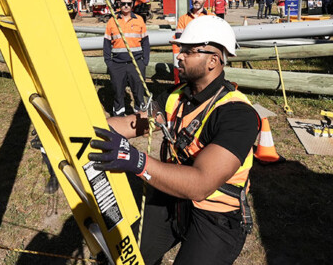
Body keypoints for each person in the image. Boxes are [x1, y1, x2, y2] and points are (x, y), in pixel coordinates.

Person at [90, 15, 261, 265]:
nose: (178, 56)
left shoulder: (237, 115)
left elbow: (201, 185)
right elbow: (131, 124)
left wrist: (137, 162)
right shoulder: (177, 97)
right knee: (125, 259)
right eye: (180, 49)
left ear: (213, 60)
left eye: (188, 51)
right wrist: (74, 131)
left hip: (216, 217)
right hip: (172, 201)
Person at [104, 0, 150, 116]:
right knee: (118, 92)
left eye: (128, 3)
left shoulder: (139, 20)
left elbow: (145, 43)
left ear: (132, 4)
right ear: (119, 4)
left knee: (138, 92)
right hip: (118, 64)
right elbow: (107, 44)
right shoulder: (112, 21)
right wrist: (109, 63)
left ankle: (140, 118)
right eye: (123, 3)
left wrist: (144, 61)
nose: (125, 6)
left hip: (136, 63)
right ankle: (119, 117)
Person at [173, 0, 213, 83]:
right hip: (188, 60)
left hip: (205, 60)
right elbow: (179, 39)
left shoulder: (211, 17)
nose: (196, 0)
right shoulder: (183, 19)